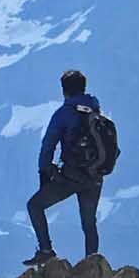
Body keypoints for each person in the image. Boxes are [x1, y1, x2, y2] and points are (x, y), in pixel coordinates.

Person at [23, 69, 105, 267]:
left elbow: (48, 146)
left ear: (64, 90)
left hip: (71, 178)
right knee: (89, 221)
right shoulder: (95, 111)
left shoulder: (63, 114)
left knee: (34, 206)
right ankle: (92, 264)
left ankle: (46, 250)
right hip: (95, 175)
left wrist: (45, 174)